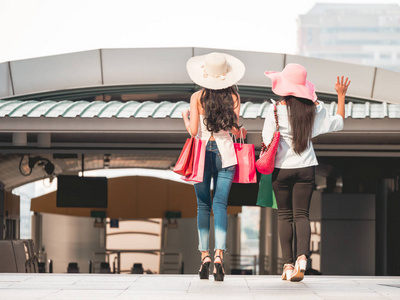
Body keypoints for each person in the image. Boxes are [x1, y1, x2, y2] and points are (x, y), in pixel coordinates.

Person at [262, 63, 350, 282]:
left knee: (284, 216)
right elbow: (338, 123)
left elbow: (266, 140)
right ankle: (303, 259)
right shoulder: (315, 110)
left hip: (281, 169)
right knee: (302, 215)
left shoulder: (274, 110)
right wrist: (341, 96)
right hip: (306, 168)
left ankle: (288, 266)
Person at [182, 52, 247, 281]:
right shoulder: (234, 97)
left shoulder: (197, 97)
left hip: (201, 154)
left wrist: (185, 118)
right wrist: (240, 131)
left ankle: (205, 257)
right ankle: (219, 256)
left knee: (202, 206)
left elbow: (192, 132)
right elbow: (235, 130)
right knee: (220, 205)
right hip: (226, 155)